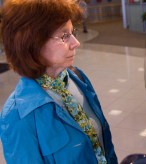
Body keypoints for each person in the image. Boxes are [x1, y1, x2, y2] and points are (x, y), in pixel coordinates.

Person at [0, 0, 117, 163]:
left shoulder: (77, 77)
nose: (76, 43)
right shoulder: (17, 116)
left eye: (72, 32)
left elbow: (104, 143)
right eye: (64, 36)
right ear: (31, 42)